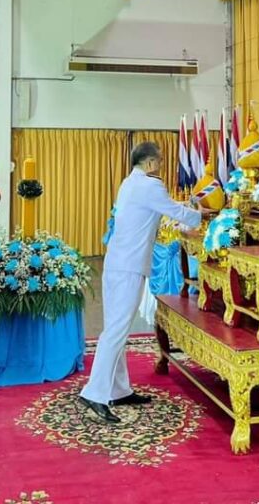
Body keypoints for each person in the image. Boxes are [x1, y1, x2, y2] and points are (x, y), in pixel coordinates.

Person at [79, 142, 203, 423]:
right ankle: (95, 393)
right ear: (149, 163)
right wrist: (200, 214)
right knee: (116, 330)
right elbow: (174, 211)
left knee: (116, 328)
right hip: (129, 267)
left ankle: (119, 389)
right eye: (159, 161)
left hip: (116, 263)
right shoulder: (150, 186)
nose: (160, 165)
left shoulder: (128, 183)